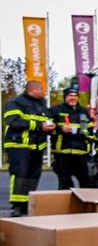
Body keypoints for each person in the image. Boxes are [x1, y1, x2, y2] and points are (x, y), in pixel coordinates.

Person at [2, 80, 54, 216]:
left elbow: (47, 120)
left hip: (37, 146)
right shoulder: (15, 103)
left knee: (33, 176)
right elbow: (13, 121)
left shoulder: (42, 105)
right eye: (41, 89)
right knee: (20, 173)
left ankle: (26, 204)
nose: (44, 92)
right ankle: (17, 206)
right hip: (19, 144)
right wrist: (40, 126)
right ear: (33, 90)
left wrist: (51, 126)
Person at [48, 86, 94, 189]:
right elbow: (48, 128)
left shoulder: (84, 111)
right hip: (62, 153)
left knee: (87, 183)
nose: (73, 98)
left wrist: (89, 146)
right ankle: (66, 199)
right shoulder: (55, 110)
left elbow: (90, 130)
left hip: (82, 154)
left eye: (75, 96)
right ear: (65, 97)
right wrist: (60, 128)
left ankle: (83, 200)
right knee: (65, 184)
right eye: (70, 95)